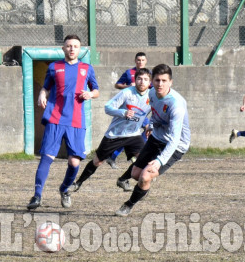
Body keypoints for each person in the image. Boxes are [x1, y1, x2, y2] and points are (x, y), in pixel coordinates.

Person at [27, 35, 99, 210]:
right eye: (69, 46)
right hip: (56, 118)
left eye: (75, 46)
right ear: (63, 48)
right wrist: (42, 94)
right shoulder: (54, 67)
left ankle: (64, 189)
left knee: (74, 162)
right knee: (47, 157)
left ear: (80, 49)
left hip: (76, 121)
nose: (72, 49)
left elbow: (96, 90)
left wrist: (90, 94)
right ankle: (37, 195)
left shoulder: (87, 68)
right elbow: (46, 87)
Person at [116, 64, 191, 216]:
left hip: (176, 145)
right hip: (157, 137)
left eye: (164, 80)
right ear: (152, 81)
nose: (160, 84)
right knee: (136, 174)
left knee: (144, 176)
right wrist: (151, 125)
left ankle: (128, 205)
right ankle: (145, 187)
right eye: (157, 80)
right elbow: (155, 113)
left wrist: (160, 161)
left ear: (171, 82)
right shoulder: (151, 93)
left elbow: (175, 139)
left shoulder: (176, 105)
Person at [70, 68, 151, 195]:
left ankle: (123, 180)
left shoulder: (152, 96)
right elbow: (108, 107)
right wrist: (123, 112)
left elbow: (151, 114)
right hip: (115, 134)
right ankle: (78, 183)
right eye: (139, 79)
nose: (142, 82)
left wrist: (148, 126)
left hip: (134, 134)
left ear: (149, 82)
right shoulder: (127, 92)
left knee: (144, 158)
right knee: (97, 161)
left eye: (145, 79)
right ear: (135, 80)